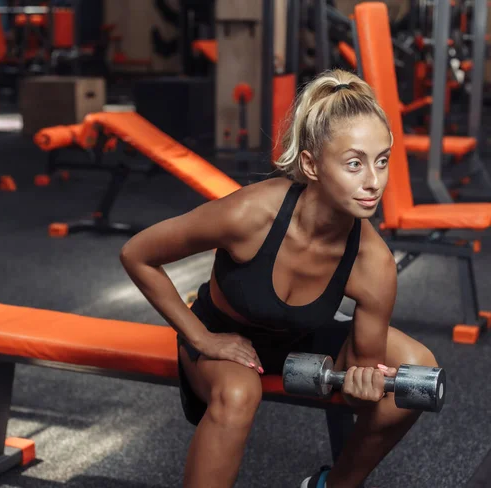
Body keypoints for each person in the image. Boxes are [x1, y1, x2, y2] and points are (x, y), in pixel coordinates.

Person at [120, 69, 438, 488]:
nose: (374, 182)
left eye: (381, 161)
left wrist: (365, 381)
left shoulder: (372, 261)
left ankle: (334, 484)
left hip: (298, 339)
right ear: (310, 163)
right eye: (354, 164)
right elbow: (137, 254)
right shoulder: (250, 215)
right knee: (239, 394)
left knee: (419, 367)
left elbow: (365, 364)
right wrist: (202, 339)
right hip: (224, 338)